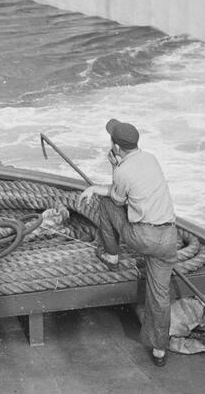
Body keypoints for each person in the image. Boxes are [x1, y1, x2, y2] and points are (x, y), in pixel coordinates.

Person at [78, 118, 178, 367]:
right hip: (168, 238)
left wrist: (101, 182)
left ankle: (111, 255)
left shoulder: (122, 171)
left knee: (105, 202)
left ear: (116, 147)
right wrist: (118, 168)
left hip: (143, 238)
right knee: (160, 295)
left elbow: (116, 198)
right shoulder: (151, 158)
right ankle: (159, 350)